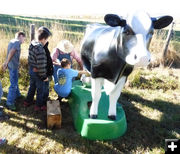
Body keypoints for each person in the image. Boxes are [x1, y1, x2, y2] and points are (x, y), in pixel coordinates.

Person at [24, 26, 51, 111]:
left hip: (32, 70)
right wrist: (44, 76)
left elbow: (30, 58)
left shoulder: (32, 44)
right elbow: (41, 65)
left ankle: (28, 101)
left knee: (32, 86)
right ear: (43, 39)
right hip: (39, 73)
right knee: (41, 89)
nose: (46, 41)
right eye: (46, 39)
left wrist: (33, 66)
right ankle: (39, 105)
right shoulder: (40, 50)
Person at [3, 31, 26, 111]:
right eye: (24, 38)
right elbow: (12, 52)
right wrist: (6, 63)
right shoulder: (17, 42)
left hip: (11, 65)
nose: (24, 41)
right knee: (13, 84)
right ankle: (9, 102)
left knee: (15, 81)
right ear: (20, 36)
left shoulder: (12, 41)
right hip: (12, 66)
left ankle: (17, 94)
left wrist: (7, 63)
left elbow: (10, 53)